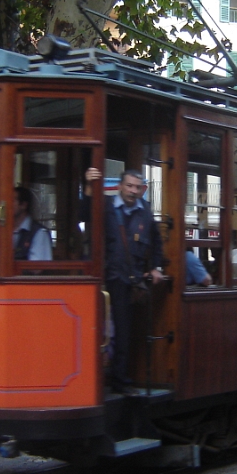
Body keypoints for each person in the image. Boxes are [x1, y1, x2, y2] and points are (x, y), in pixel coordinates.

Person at [85, 167, 165, 393]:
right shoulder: (108, 207)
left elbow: (157, 243)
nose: (132, 191)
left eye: (137, 187)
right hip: (107, 278)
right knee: (102, 330)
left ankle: (119, 379)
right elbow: (85, 214)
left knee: (124, 331)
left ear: (142, 190)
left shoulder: (146, 211)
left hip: (131, 281)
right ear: (120, 186)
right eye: (129, 186)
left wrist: (155, 267)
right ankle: (103, 378)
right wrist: (90, 187)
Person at [0, 187, 52, 265]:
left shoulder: (39, 232)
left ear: (23, 205)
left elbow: (36, 268)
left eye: (11, 201)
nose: (5, 205)